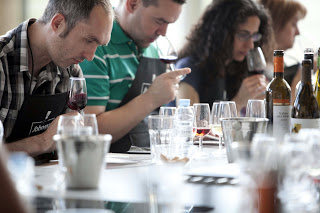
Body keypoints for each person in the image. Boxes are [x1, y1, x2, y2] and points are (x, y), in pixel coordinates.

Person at [0, 0, 114, 163]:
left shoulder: (71, 70)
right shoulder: (1, 61)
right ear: (58, 23)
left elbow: (71, 149)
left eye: (99, 45)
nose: (90, 56)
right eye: (89, 40)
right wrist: (43, 142)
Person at [80, 0, 191, 152]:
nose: (164, 32)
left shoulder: (155, 46)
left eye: (169, 24)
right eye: (159, 21)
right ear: (132, 4)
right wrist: (151, 98)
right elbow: (88, 130)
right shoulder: (95, 45)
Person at [170, 0, 273, 116]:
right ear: (221, 34)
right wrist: (238, 102)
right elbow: (190, 124)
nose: (250, 45)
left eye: (254, 36)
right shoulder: (189, 68)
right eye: (243, 35)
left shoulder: (232, 67)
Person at [257, 0, 307, 100]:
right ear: (275, 24)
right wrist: (302, 76)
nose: (298, 32)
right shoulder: (256, 71)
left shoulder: (274, 65)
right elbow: (280, 112)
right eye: (293, 24)